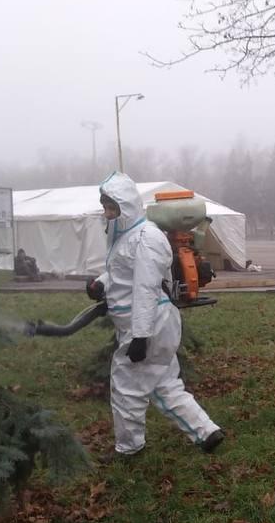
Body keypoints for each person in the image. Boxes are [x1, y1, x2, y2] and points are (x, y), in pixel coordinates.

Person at [87, 172, 224, 457]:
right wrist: (101, 283)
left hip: (149, 325)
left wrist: (140, 337)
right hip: (152, 325)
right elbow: (122, 274)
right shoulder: (127, 238)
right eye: (105, 207)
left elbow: (146, 289)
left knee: (126, 387)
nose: (107, 213)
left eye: (111, 208)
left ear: (126, 206)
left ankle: (129, 448)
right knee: (164, 383)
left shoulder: (145, 238)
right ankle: (206, 432)